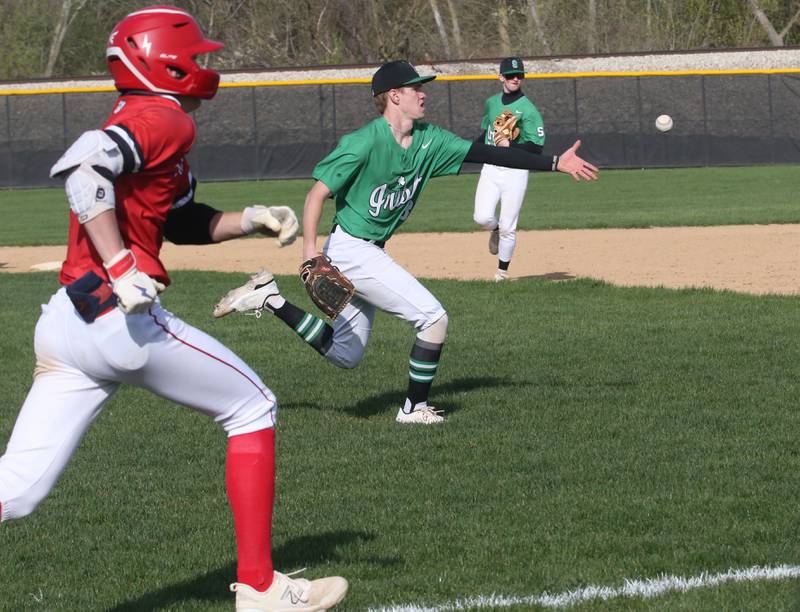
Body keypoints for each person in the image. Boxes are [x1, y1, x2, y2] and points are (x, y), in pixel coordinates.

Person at [0, 6, 347, 611]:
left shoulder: (144, 116)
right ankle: (262, 588)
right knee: (253, 405)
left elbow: (178, 219)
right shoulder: (163, 116)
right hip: (118, 319)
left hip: (66, 321)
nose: (205, 65)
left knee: (19, 489)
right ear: (165, 58)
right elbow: (82, 174)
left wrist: (251, 221)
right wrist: (123, 265)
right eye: (198, 55)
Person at [213, 60, 597, 425]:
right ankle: (413, 409)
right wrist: (310, 252)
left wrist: (553, 163)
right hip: (350, 249)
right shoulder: (363, 142)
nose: (424, 94)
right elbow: (316, 195)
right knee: (432, 318)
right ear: (394, 96)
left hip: (369, 250)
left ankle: (268, 298)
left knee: (346, 355)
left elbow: (486, 152)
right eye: (416, 88)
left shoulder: (431, 141)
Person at [474, 57, 545, 281]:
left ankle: (501, 273)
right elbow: (485, 134)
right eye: (511, 75)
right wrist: (468, 150)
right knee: (482, 217)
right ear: (501, 77)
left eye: (520, 75)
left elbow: (536, 147)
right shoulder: (491, 103)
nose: (516, 78)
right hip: (491, 168)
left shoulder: (528, 109)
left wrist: (511, 145)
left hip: (516, 170)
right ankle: (493, 230)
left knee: (508, 227)